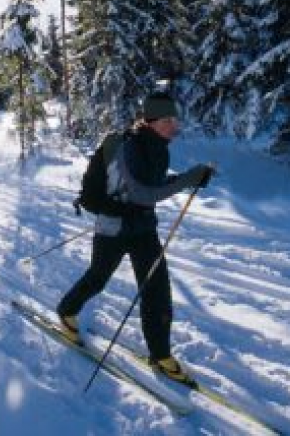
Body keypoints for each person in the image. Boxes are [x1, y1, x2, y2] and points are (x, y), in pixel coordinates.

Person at [57, 92, 212, 382]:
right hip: (113, 226)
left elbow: (152, 186)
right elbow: (143, 193)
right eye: (167, 120)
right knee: (98, 278)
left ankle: (161, 354)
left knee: (157, 289)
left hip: (142, 228)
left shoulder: (159, 149)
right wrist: (188, 178)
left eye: (174, 119)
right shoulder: (129, 147)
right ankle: (67, 311)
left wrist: (191, 179)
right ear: (150, 121)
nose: (173, 125)